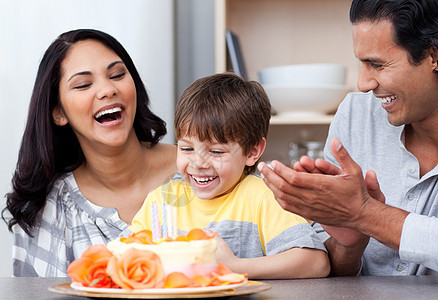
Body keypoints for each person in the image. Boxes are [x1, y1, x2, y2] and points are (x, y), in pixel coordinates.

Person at [258, 0, 438, 276]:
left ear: (433, 56)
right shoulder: (357, 115)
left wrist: (364, 214)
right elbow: (337, 274)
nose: (363, 84)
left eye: (376, 65)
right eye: (362, 64)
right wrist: (348, 242)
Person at [3, 29, 177, 277]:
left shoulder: (201, 170)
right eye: (83, 84)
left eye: (117, 75)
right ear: (59, 113)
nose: (107, 89)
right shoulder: (50, 208)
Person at [130, 73, 330, 279]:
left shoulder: (263, 197)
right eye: (187, 149)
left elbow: (316, 263)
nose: (198, 163)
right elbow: (121, 256)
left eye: (216, 152)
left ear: (252, 151)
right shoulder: (160, 202)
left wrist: (233, 266)